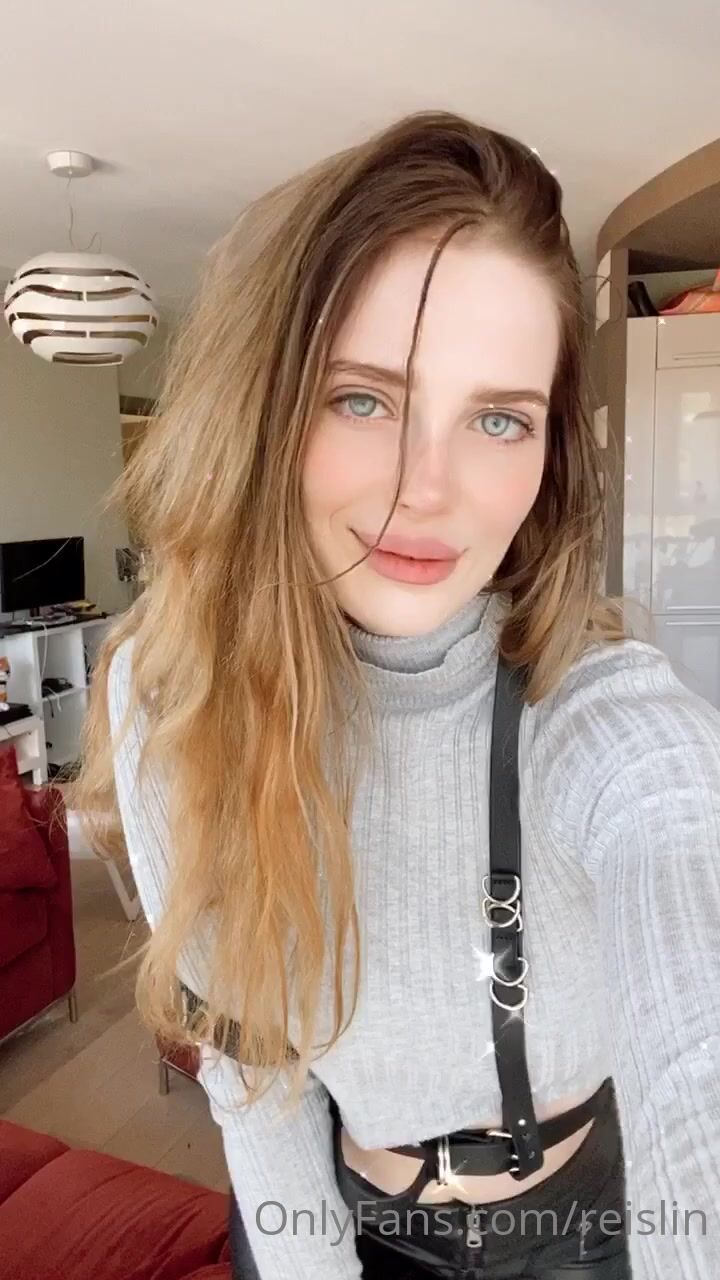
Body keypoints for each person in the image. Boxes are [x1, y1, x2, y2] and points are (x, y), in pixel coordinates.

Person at [74, 112, 720, 1280]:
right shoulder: (171, 693)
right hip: (328, 1217)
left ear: (547, 454)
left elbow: (698, 1056)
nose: (431, 487)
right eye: (363, 398)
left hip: (585, 1228)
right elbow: (256, 1088)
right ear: (262, 410)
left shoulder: (602, 712)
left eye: (498, 418)